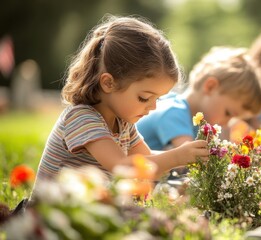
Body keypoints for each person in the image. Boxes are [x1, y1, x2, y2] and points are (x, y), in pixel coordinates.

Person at [31, 15, 209, 195]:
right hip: (51, 214)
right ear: (108, 83)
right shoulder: (81, 118)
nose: (153, 107)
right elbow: (121, 168)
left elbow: (145, 162)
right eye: (144, 98)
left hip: (88, 212)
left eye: (158, 99)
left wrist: (186, 157)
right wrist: (178, 156)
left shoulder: (123, 124)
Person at [135, 47, 261, 152]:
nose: (226, 124)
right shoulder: (174, 112)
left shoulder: (193, 123)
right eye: (228, 113)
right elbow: (193, 159)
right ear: (210, 87)